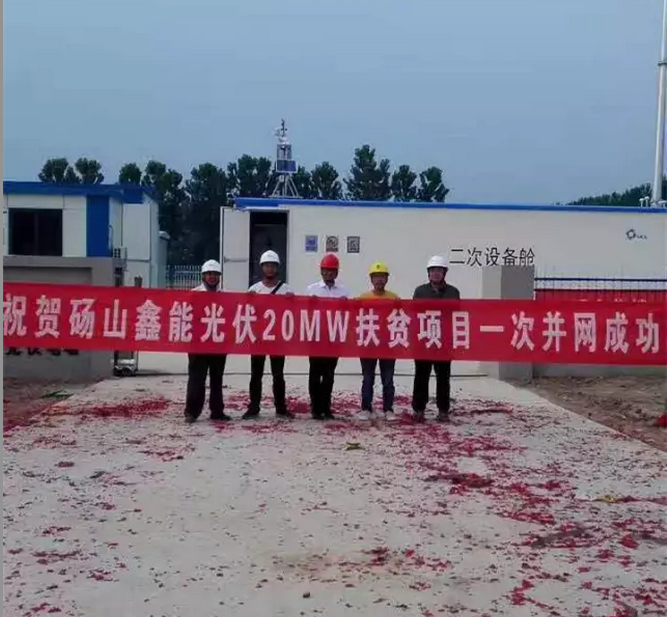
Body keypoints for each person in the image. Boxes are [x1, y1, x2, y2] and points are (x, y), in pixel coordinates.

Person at [243, 250, 295, 420]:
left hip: (278, 339)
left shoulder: (286, 290)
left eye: (273, 266)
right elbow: (246, 313)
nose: (270, 269)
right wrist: (248, 300)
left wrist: (292, 301)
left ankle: (280, 408)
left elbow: (294, 313)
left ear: (277, 267)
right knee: (256, 374)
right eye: (267, 266)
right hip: (258, 338)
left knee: (278, 375)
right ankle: (253, 407)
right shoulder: (254, 289)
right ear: (262, 267)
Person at [411, 255, 460, 423]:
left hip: (444, 342)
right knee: (421, 376)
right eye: (432, 270)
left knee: (443, 377)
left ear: (444, 272)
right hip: (424, 341)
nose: (435, 273)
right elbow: (415, 314)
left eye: (439, 270)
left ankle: (443, 410)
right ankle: (419, 409)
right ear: (428, 273)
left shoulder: (453, 292)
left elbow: (455, 314)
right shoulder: (420, 291)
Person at [185, 259, 230, 424]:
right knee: (196, 378)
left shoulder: (225, 296)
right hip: (198, 344)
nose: (212, 277)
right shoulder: (193, 294)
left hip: (218, 343)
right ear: (203, 276)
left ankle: (217, 411)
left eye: (215, 274)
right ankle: (191, 412)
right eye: (209, 274)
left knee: (217, 379)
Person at [306, 253, 349, 420]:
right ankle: (315, 407)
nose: (329, 273)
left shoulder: (344, 291)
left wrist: (346, 305)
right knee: (315, 373)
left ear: (337, 272)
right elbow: (304, 313)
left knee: (329, 374)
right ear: (321, 271)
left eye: (332, 270)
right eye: (326, 270)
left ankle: (326, 406)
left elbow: (348, 314)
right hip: (316, 337)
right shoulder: (312, 289)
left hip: (334, 338)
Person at [356, 262, 400, 422]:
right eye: (376, 277)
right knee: (368, 378)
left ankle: (388, 409)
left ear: (387, 279)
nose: (379, 280)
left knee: (388, 379)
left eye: (382, 276)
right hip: (369, 343)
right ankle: (366, 408)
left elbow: (401, 319)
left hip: (387, 345)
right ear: (371, 279)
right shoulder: (363, 298)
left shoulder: (394, 298)